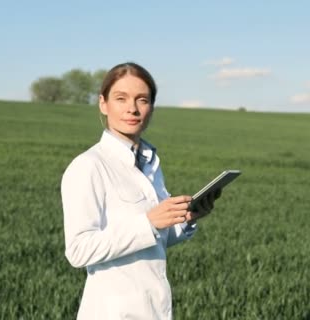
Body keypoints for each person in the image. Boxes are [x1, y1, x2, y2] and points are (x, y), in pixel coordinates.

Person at [61, 62, 221, 319]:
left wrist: (187, 219)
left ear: (151, 108)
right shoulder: (88, 166)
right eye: (121, 98)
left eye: (142, 100)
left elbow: (157, 238)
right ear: (103, 104)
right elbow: (78, 250)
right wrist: (148, 223)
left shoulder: (151, 165)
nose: (132, 108)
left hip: (155, 310)